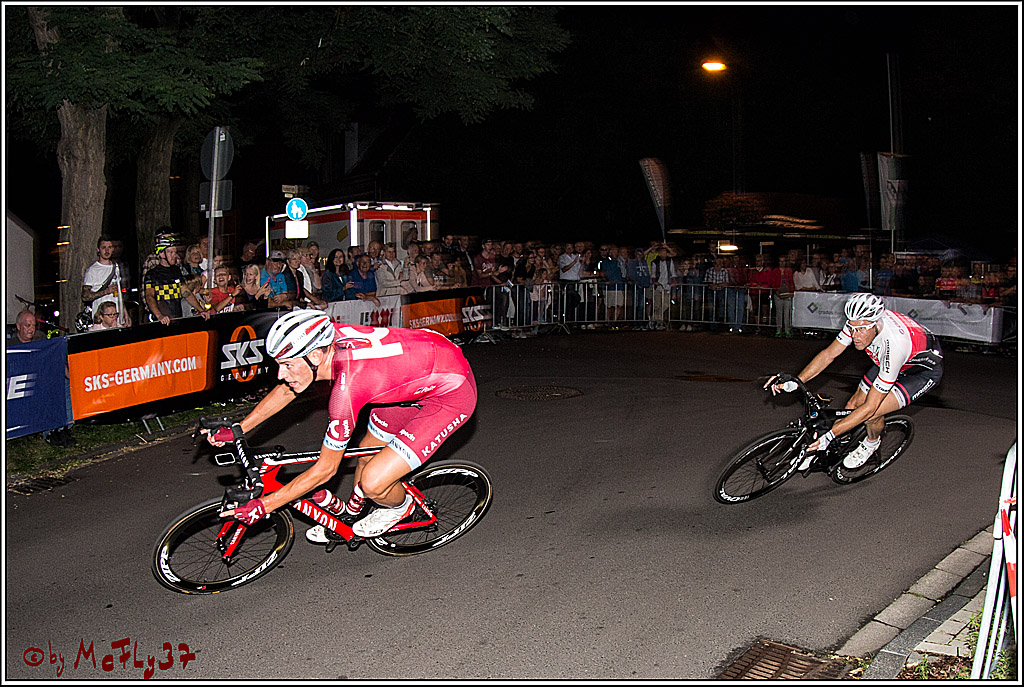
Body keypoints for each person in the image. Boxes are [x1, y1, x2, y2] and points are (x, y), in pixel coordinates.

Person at [206, 310, 478, 543]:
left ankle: (402, 508)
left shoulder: (347, 390)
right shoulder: (322, 339)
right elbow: (290, 387)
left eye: (287, 365)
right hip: (412, 376)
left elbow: (325, 470)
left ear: (314, 357)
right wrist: (240, 427)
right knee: (365, 455)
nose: (281, 374)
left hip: (450, 393)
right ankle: (352, 516)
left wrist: (265, 505)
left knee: (372, 482)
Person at [767, 292, 943, 471]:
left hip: (921, 373)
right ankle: (826, 447)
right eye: (851, 328)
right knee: (852, 403)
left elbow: (870, 407)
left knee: (871, 413)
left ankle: (871, 442)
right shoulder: (858, 321)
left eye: (860, 330)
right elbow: (829, 354)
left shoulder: (895, 346)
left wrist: (829, 435)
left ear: (875, 324)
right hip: (888, 363)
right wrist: (797, 381)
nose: (854, 335)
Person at [144, 234, 211, 324]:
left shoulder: (176, 271)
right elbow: (149, 297)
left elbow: (186, 292)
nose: (174, 255)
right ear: (161, 253)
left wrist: (201, 310)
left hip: (177, 318)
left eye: (175, 252)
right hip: (162, 321)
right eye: (170, 252)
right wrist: (159, 315)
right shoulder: (152, 274)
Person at [82, 234, 130, 328]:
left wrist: (125, 313)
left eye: (110, 247)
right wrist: (105, 292)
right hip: (101, 320)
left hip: (117, 318)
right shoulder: (93, 270)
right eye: (104, 247)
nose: (107, 251)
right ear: (98, 249)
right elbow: (85, 296)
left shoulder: (116, 267)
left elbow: (119, 293)